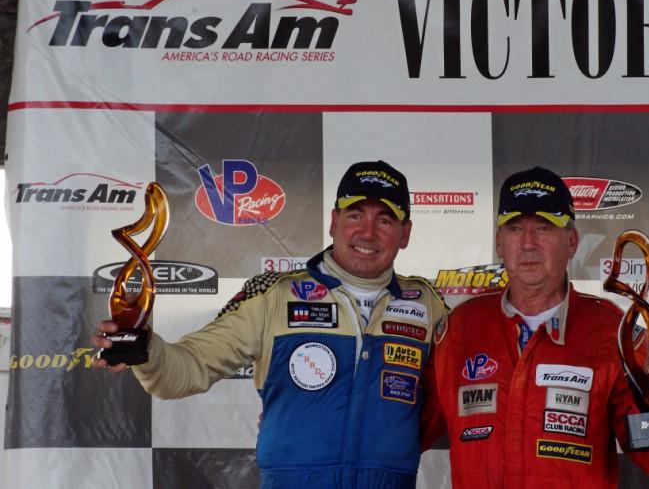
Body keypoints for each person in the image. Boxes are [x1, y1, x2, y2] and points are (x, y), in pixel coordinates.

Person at [92, 160, 448, 489]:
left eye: (385, 220)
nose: (367, 233)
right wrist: (148, 351)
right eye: (355, 215)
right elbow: (185, 370)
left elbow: (465, 391)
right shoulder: (274, 295)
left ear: (405, 233)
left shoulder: (428, 305)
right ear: (334, 221)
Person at [420, 166, 649, 489]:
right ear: (499, 243)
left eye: (544, 228)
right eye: (515, 228)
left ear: (571, 241)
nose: (528, 243)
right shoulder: (461, 328)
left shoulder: (611, 331)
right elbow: (410, 431)